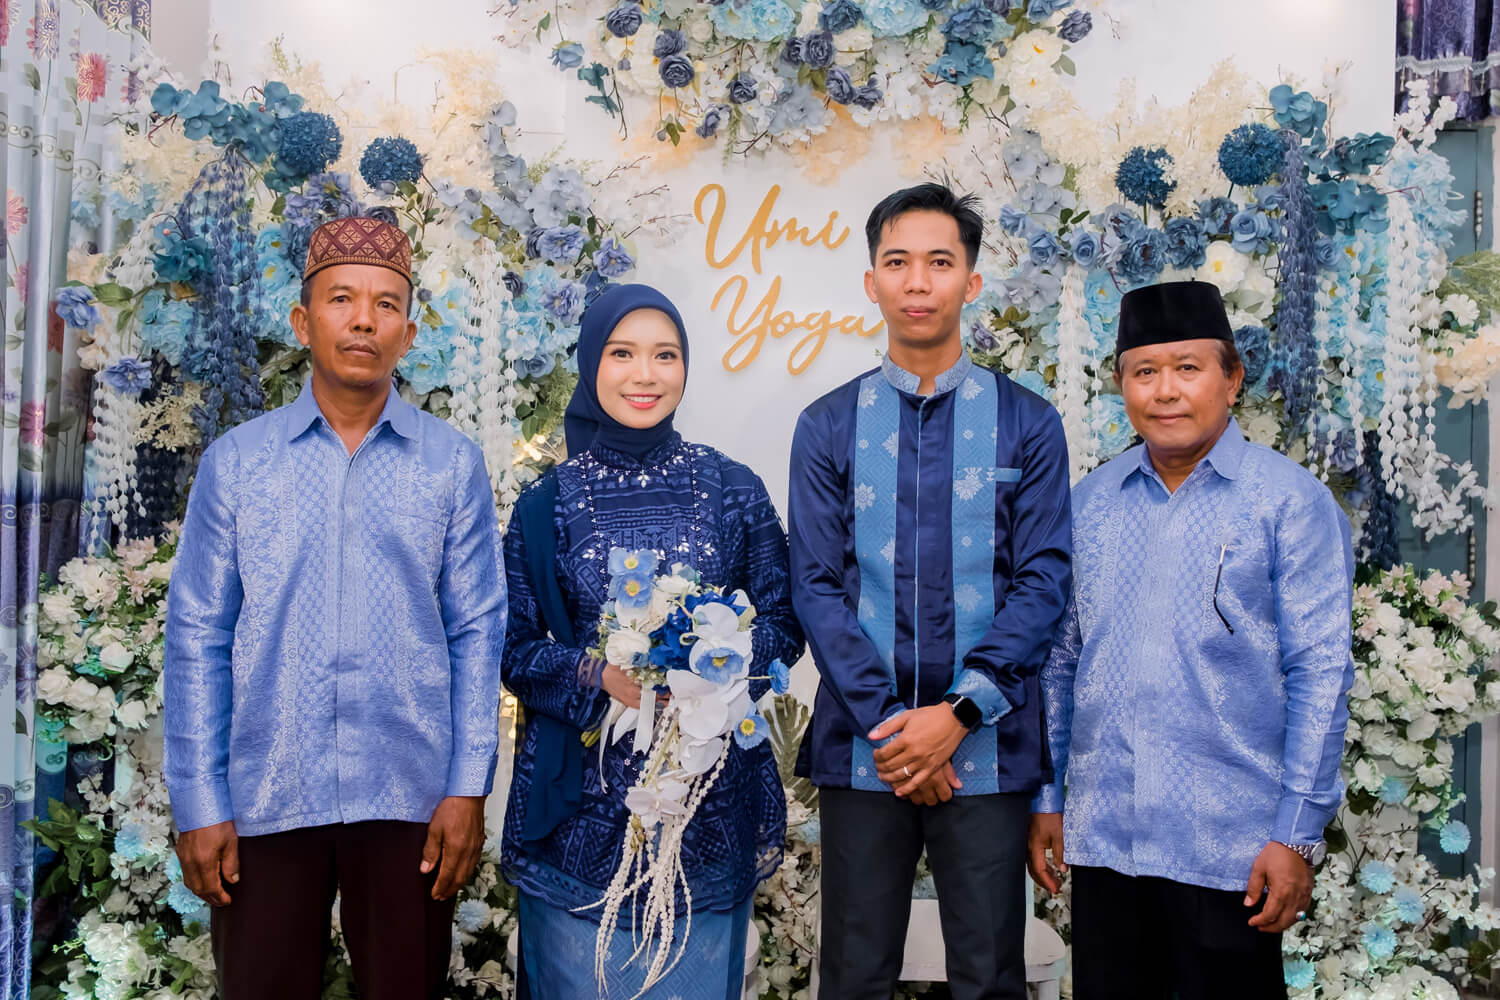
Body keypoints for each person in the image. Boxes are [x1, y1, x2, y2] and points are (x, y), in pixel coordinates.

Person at [164, 216, 508, 1000]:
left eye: (386, 305)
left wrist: (467, 786)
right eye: (342, 299)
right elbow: (197, 636)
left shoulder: (450, 465)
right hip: (266, 789)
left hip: (411, 795)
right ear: (302, 320)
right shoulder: (238, 464)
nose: (363, 320)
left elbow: (477, 631)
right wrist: (199, 800)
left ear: (408, 333)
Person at [1028, 280, 1354, 1000]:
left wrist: (1296, 834)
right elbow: (1058, 663)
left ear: (1232, 380)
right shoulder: (1090, 505)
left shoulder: (1288, 502)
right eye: (1144, 371)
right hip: (1108, 840)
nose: (1166, 391)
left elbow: (1321, 672)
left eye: (1187, 368)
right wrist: (1047, 797)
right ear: (1122, 386)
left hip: (1233, 848)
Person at [788, 183, 1073, 999]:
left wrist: (957, 715)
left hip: (986, 747)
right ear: (871, 281)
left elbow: (1045, 580)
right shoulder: (828, 425)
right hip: (863, 749)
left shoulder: (1027, 422)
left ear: (971, 282)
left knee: (989, 974)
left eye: (939, 262)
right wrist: (896, 730)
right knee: (853, 973)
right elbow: (816, 585)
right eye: (898, 262)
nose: (918, 282)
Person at [499, 283, 806, 998]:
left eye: (665, 355)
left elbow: (785, 621)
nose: (645, 374)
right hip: (579, 818)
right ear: (590, 364)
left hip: (707, 802)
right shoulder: (546, 505)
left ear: (685, 366)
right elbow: (513, 648)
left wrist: (716, 667)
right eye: (623, 354)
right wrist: (598, 676)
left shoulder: (733, 489)